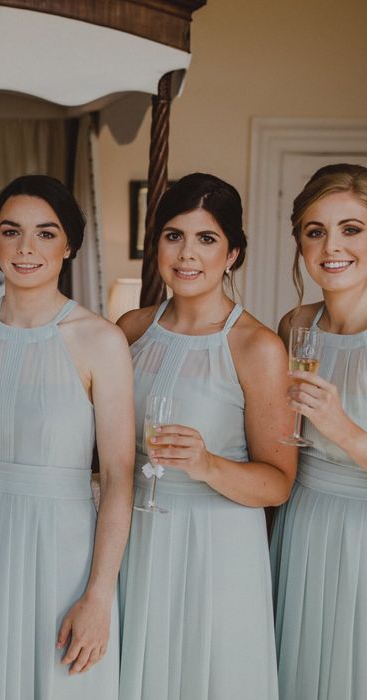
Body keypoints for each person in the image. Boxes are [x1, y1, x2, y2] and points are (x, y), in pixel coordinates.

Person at [0, 174, 134, 699]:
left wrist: (98, 596)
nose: (27, 248)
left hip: (63, 551)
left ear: (69, 245)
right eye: (12, 231)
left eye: (46, 234)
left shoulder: (100, 340)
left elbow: (119, 477)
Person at [116, 173, 296, 700]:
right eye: (173, 236)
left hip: (216, 550)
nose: (187, 254)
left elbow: (279, 482)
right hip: (134, 538)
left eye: (207, 239)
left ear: (233, 253)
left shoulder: (256, 346)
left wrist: (206, 464)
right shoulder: (130, 328)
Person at [270, 164, 367, 700]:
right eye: (316, 231)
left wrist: (341, 426)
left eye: (352, 228)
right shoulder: (295, 326)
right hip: (301, 517)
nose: (333, 246)